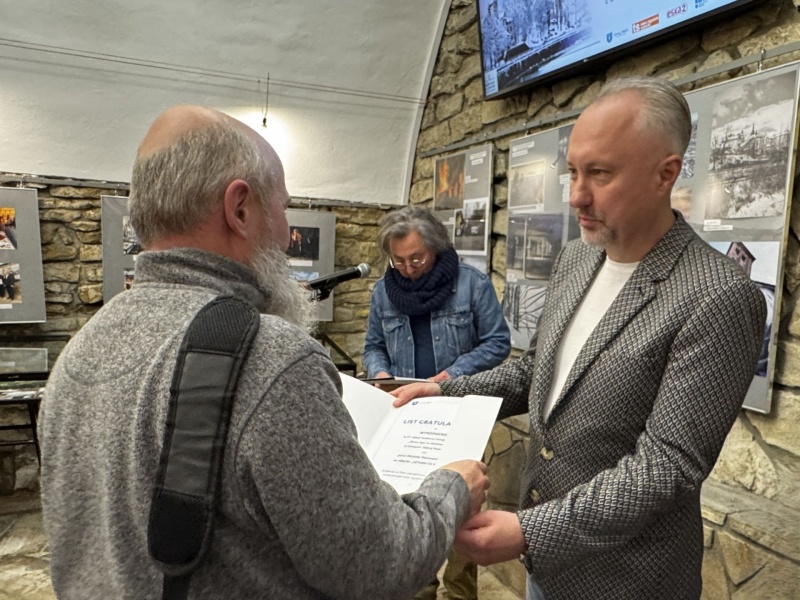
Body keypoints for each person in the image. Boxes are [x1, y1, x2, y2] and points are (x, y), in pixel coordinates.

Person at [38, 106, 490, 600]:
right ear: (240, 208)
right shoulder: (269, 357)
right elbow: (379, 564)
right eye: (282, 208)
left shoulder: (81, 348)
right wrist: (452, 488)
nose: (285, 231)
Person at [392, 76, 767, 600]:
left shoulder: (718, 295)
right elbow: (539, 372)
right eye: (571, 172)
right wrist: (445, 391)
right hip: (547, 568)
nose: (576, 196)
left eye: (599, 174)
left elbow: (668, 467)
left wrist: (529, 531)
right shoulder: (578, 258)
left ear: (666, 174)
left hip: (626, 580)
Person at [363, 205, 511, 600]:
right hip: (406, 413)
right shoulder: (383, 291)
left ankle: (460, 591)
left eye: (417, 259)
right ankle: (420, 587)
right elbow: (374, 346)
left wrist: (450, 378)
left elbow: (498, 343)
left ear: (435, 248)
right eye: (399, 261)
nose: (408, 268)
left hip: (461, 410)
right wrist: (379, 373)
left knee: (465, 504)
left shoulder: (471, 284)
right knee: (409, 501)